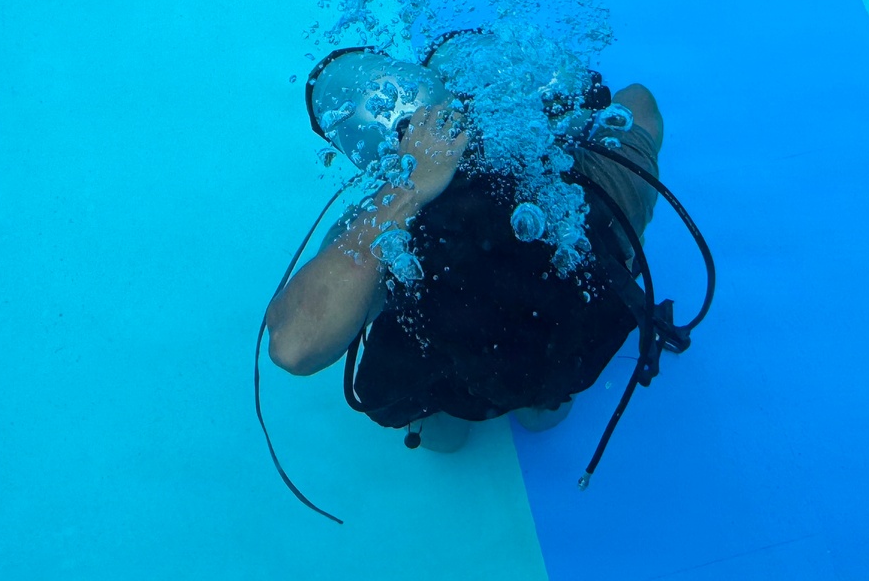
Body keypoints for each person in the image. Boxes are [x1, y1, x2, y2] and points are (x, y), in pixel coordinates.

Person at [266, 72, 664, 454]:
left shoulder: (384, 232)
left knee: (442, 436)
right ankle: (538, 406)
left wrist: (409, 186)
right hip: (558, 355)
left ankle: (461, 421)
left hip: (441, 376)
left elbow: (296, 344)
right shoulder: (581, 188)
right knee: (546, 410)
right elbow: (640, 104)